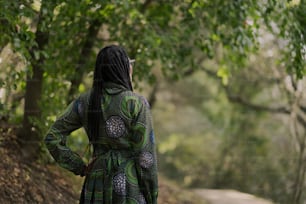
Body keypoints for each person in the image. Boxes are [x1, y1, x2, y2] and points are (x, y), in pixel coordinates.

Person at [45, 45, 158, 204]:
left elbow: (52, 137)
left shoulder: (86, 101)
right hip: (129, 186)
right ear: (123, 69)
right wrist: (152, 196)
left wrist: (79, 166)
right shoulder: (136, 103)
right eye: (129, 64)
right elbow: (146, 158)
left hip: (96, 182)